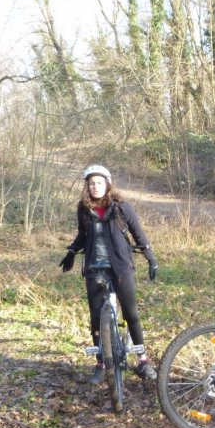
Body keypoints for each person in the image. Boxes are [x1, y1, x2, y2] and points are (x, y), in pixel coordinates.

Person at [59, 164, 159, 384]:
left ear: (107, 184)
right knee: (96, 319)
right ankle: (100, 362)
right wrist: (72, 253)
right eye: (92, 183)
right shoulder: (84, 208)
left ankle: (142, 360)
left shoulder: (122, 207)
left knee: (131, 315)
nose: (96, 186)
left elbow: (138, 234)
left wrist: (151, 258)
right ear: (87, 186)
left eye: (99, 182)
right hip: (95, 268)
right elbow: (82, 234)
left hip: (121, 268)